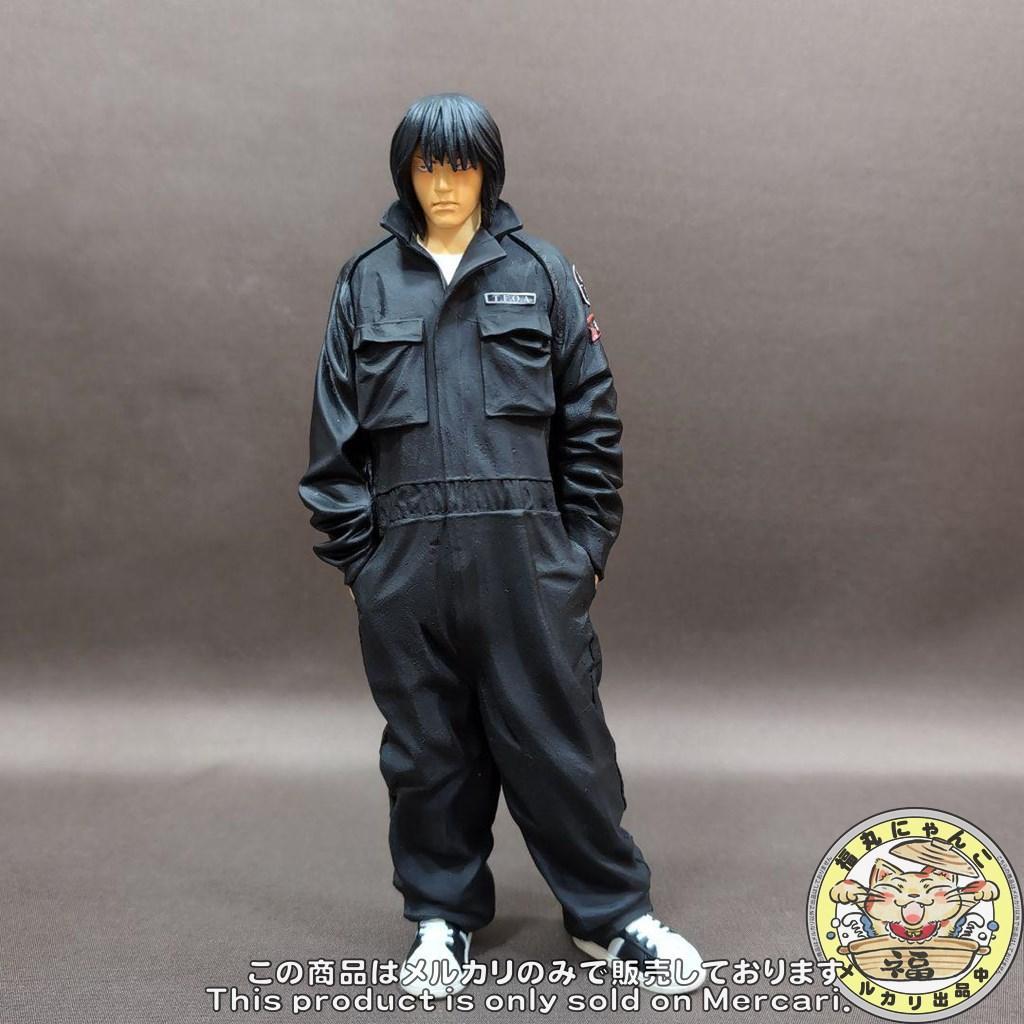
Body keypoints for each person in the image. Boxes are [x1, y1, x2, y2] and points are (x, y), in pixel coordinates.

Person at [298, 92, 706, 998]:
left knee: (563, 743)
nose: (444, 186)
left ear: (489, 171)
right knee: (427, 755)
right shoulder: (365, 283)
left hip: (527, 562)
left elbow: (592, 422)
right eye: (427, 168)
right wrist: (365, 565)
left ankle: (611, 917)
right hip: (406, 569)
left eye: (462, 167)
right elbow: (334, 441)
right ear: (405, 173)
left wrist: (581, 551)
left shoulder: (542, 272)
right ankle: (440, 922)